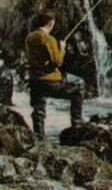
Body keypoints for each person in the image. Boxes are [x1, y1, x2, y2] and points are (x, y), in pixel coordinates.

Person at [23, 11, 86, 139]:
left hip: (34, 81)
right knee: (79, 84)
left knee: (39, 109)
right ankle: (77, 123)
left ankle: (39, 136)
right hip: (50, 82)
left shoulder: (29, 38)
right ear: (51, 22)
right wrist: (62, 49)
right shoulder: (49, 39)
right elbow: (57, 62)